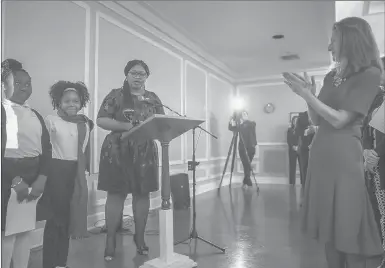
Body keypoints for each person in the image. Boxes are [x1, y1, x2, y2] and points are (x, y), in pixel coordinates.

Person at [283, 16, 384, 267]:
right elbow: (317, 118)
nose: (330, 47)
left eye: (333, 40)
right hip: (321, 152)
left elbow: (341, 120)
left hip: (344, 154)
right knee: (329, 224)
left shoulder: (369, 74)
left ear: (350, 40)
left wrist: (308, 94)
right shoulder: (330, 77)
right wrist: (309, 97)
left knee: (348, 218)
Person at [97, 59, 164, 259]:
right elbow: (101, 119)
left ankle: (140, 238)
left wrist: (149, 129)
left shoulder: (152, 98)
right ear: (126, 75)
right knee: (116, 195)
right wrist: (127, 126)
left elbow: (161, 122)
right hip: (117, 150)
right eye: (134, 73)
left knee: (142, 195)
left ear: (147, 77)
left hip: (145, 151)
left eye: (142, 73)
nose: (137, 76)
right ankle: (110, 240)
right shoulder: (115, 95)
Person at [1, 59, 51, 268]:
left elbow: (46, 149)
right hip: (7, 178)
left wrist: (42, 179)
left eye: (28, 83)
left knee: (25, 230)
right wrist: (15, 180)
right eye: (17, 82)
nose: (24, 86)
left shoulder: (36, 115)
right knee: (7, 233)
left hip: (34, 176)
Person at [40, 81, 94, 268]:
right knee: (54, 220)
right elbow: (44, 149)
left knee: (67, 221)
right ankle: (48, 263)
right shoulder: (51, 121)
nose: (72, 104)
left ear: (81, 102)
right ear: (58, 102)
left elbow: (84, 150)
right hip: (56, 173)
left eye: (76, 101)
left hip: (75, 174)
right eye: (67, 101)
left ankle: (61, 263)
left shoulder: (85, 124)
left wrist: (84, 174)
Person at [363, 56, 385, 263]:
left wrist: (375, 153)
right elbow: (367, 129)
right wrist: (367, 150)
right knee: (379, 209)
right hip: (376, 164)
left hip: (381, 159)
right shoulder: (377, 99)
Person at [228, 110, 257, 187]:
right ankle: (247, 179)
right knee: (246, 164)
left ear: (248, 115)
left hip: (251, 147)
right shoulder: (240, 125)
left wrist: (241, 123)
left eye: (245, 114)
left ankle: (246, 179)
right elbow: (231, 128)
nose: (244, 115)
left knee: (248, 164)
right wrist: (231, 120)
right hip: (242, 147)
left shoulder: (252, 123)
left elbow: (248, 125)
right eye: (242, 114)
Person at [295, 112, 316, 186]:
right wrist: (306, 132)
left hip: (317, 147)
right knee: (304, 167)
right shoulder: (302, 117)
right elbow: (297, 132)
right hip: (304, 146)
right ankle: (305, 186)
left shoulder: (319, 115)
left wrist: (314, 129)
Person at [286, 116, 299, 185]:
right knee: (292, 167)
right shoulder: (290, 130)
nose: (295, 122)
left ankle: (303, 183)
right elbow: (288, 140)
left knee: (303, 167)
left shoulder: (302, 130)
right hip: (292, 150)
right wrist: (293, 146)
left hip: (301, 150)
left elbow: (303, 139)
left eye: (297, 120)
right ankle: (292, 183)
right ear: (292, 122)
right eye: (294, 121)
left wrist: (299, 147)